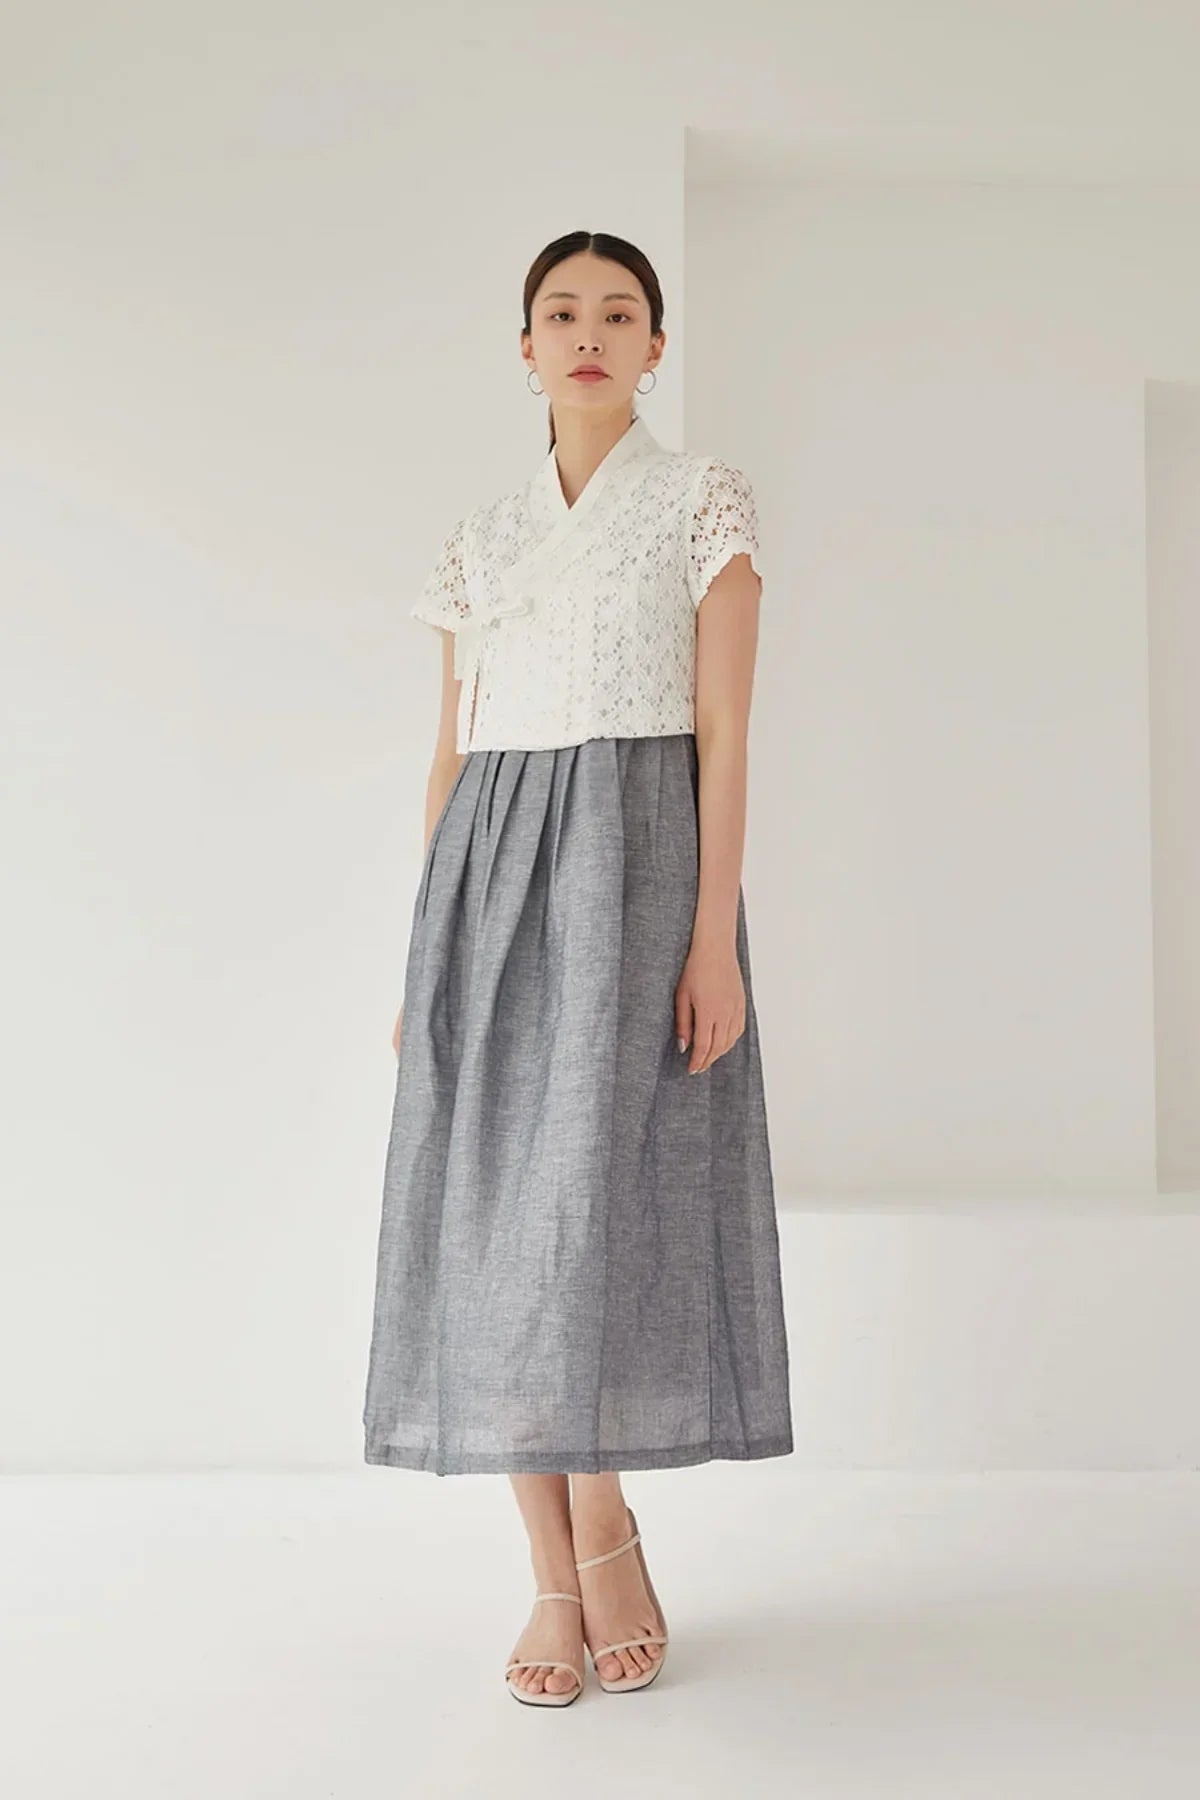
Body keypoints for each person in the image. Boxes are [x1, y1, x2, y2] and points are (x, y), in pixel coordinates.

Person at [362, 229, 793, 1707]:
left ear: (657, 347)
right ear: (525, 347)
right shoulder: (478, 536)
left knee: (598, 1210)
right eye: (562, 312)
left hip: (638, 865)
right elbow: (449, 748)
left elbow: (726, 732)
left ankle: (605, 1519)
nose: (590, 332)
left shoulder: (699, 502)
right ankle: (559, 1565)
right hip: (490, 875)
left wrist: (711, 931)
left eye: (621, 312)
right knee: (496, 1219)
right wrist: (428, 949)